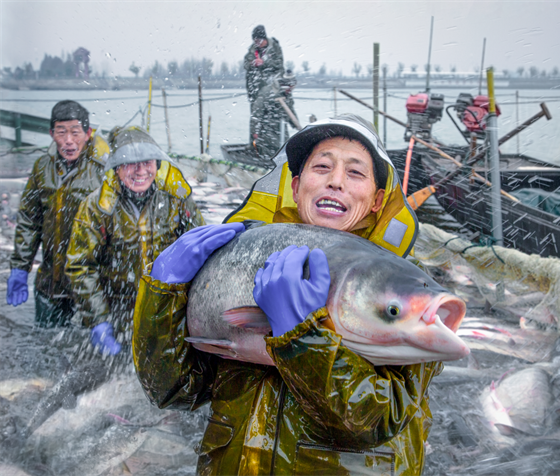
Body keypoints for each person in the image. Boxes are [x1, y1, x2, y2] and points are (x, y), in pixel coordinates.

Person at [133, 114, 441, 475]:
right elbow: (171, 390)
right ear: (295, 187)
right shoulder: (247, 264)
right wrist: (161, 293)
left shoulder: (403, 293)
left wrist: (300, 336)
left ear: (376, 200)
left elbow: (372, 420)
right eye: (322, 167)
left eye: (355, 173)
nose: (336, 181)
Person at [65, 126, 204, 355]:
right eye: (130, 163)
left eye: (147, 162)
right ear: (117, 168)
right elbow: (80, 266)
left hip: (165, 309)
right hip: (116, 310)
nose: (140, 170)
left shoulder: (177, 200)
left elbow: (200, 248)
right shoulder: (96, 207)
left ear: (157, 165)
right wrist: (98, 318)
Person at [7, 100, 109, 327]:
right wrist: (20, 268)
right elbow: (28, 221)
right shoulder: (42, 168)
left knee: (90, 352)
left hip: (91, 284)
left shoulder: (103, 170)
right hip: (50, 283)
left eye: (75, 132)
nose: (69, 140)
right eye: (61, 132)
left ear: (88, 133)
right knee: (45, 344)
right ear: (52, 133)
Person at [250, 70, 299, 157]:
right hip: (267, 129)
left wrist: (296, 125)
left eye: (292, 87)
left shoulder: (287, 94)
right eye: (289, 87)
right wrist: (255, 130)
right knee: (271, 152)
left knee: (285, 151)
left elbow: (291, 111)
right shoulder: (267, 92)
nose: (290, 89)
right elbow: (256, 112)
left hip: (282, 128)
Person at [244, 24, 284, 105]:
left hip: (272, 90)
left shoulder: (275, 48)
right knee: (256, 115)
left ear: (264, 39)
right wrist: (253, 63)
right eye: (255, 41)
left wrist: (264, 62)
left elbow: (279, 64)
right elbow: (245, 64)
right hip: (255, 92)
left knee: (272, 113)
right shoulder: (252, 50)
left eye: (258, 40)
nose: (256, 43)